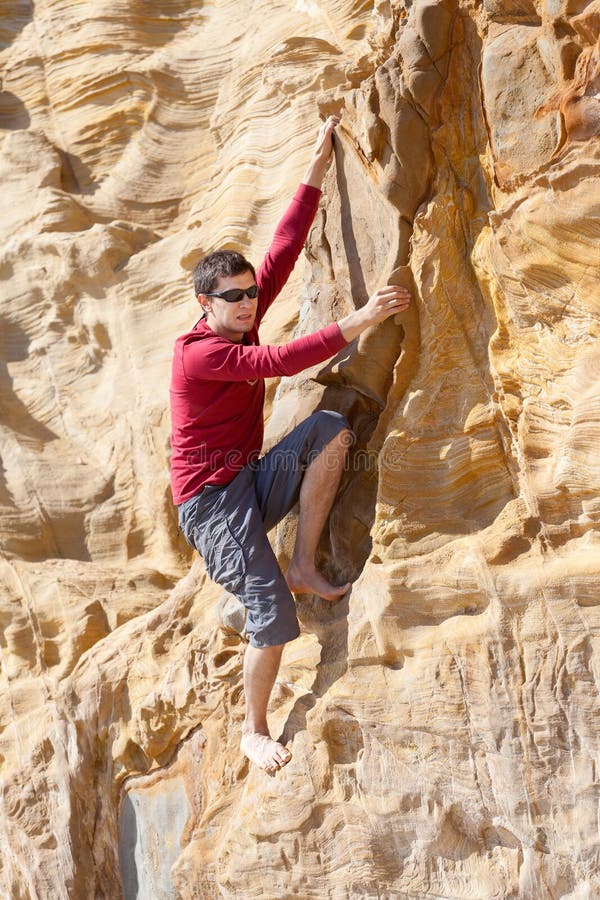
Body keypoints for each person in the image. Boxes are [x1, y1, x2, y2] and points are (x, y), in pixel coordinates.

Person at [169, 115, 410, 774]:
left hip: (246, 478)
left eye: (250, 295)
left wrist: (315, 168)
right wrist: (358, 320)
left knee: (332, 431)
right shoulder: (199, 355)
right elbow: (275, 362)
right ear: (204, 302)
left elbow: (280, 250)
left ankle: (301, 562)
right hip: (212, 505)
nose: (249, 304)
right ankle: (254, 728)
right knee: (271, 612)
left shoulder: (239, 311)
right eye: (234, 298)